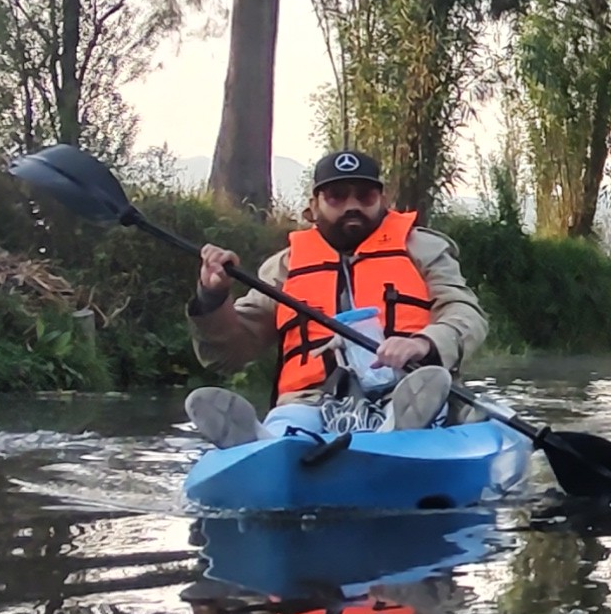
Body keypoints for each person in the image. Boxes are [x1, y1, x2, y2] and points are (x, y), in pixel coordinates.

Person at [186, 148, 488, 437]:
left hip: (404, 387)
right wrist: (212, 297)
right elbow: (228, 355)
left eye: (365, 195)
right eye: (336, 196)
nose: (351, 205)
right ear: (314, 205)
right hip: (309, 400)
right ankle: (267, 442)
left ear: (382, 199)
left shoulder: (424, 249)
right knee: (292, 420)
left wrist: (424, 342)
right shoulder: (283, 268)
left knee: (413, 403)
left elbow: (465, 314)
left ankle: (399, 429)